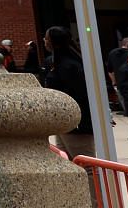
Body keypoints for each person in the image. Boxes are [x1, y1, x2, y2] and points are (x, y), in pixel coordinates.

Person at [41, 25, 94, 157]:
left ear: (54, 42)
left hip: (76, 124)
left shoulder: (70, 65)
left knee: (85, 162)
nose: (44, 40)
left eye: (47, 38)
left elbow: (79, 94)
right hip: (62, 121)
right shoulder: (53, 62)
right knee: (68, 161)